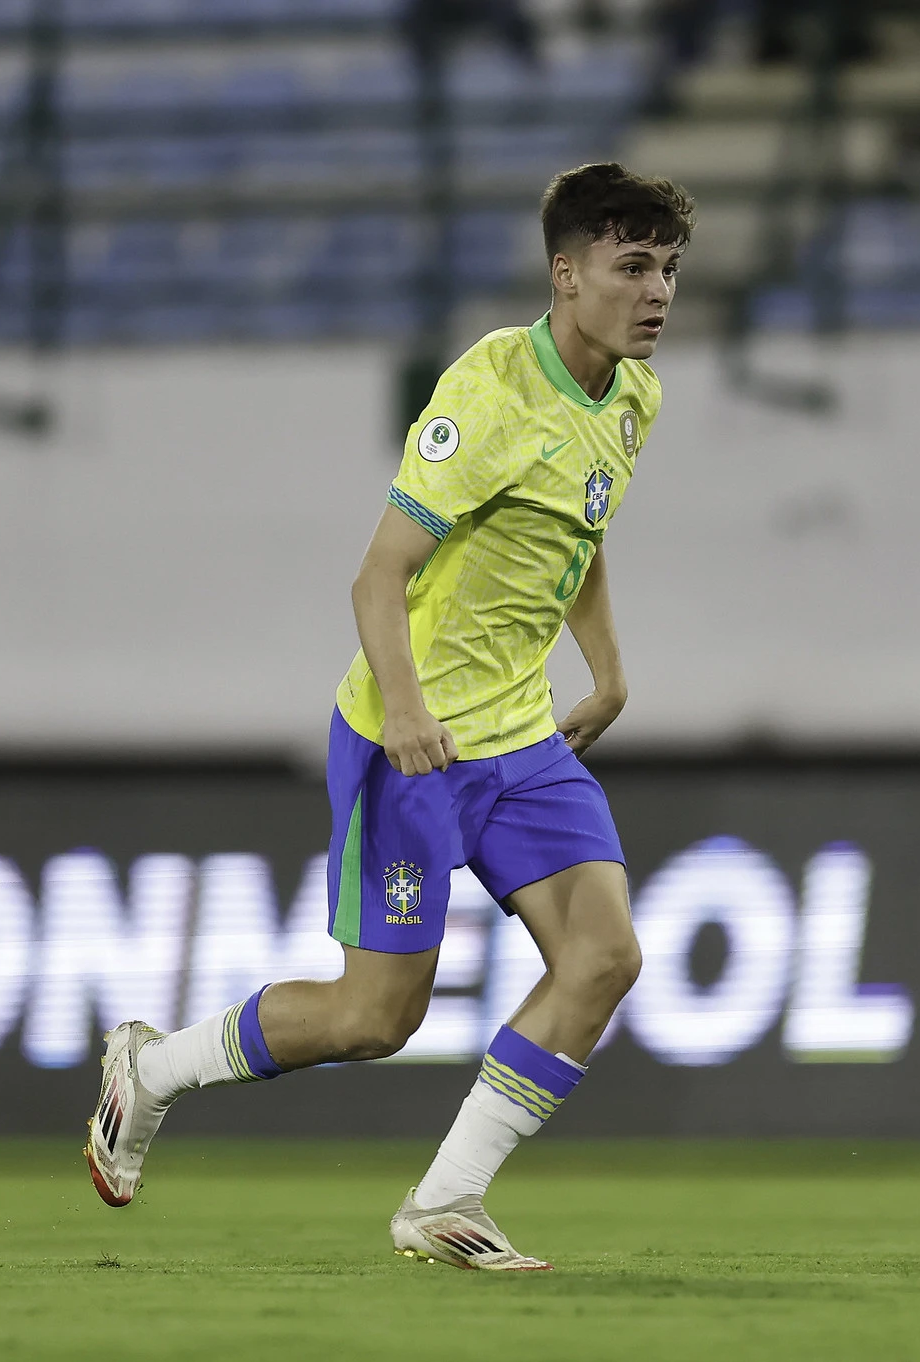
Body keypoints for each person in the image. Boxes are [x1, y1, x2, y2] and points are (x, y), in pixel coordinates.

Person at [85, 163, 695, 1272]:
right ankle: (152, 1069)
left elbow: (579, 533)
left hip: (516, 742)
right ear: (565, 276)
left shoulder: (634, 398)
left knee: (603, 957)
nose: (656, 292)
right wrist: (408, 713)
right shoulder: (487, 395)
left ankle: (445, 1201)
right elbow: (376, 578)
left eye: (665, 269)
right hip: (405, 743)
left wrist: (605, 671)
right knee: (376, 1019)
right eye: (630, 267)